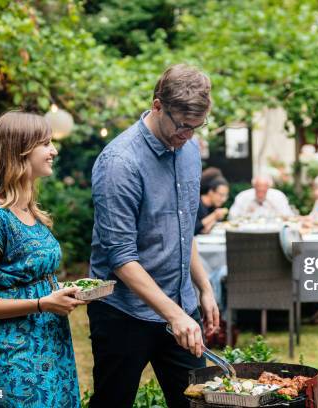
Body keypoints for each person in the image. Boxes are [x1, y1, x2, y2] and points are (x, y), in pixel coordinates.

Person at [88, 64, 220, 408]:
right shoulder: (119, 162)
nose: (188, 135)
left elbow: (182, 229)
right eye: (182, 126)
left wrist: (203, 288)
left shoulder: (189, 150)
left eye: (197, 126)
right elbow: (121, 258)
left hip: (181, 305)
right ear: (157, 105)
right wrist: (173, 314)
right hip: (124, 314)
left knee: (198, 403)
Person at [0, 111, 86, 407]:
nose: (53, 150)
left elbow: (30, 279)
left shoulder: (31, 211)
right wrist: (42, 303)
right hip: (16, 359)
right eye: (45, 143)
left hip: (52, 347)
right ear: (19, 151)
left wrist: (62, 292)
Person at [228, 175, 293, 220]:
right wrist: (246, 213)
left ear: (269, 187)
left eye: (264, 191)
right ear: (254, 186)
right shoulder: (243, 196)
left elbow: (288, 215)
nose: (261, 194)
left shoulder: (278, 196)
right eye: (258, 190)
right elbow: (232, 216)